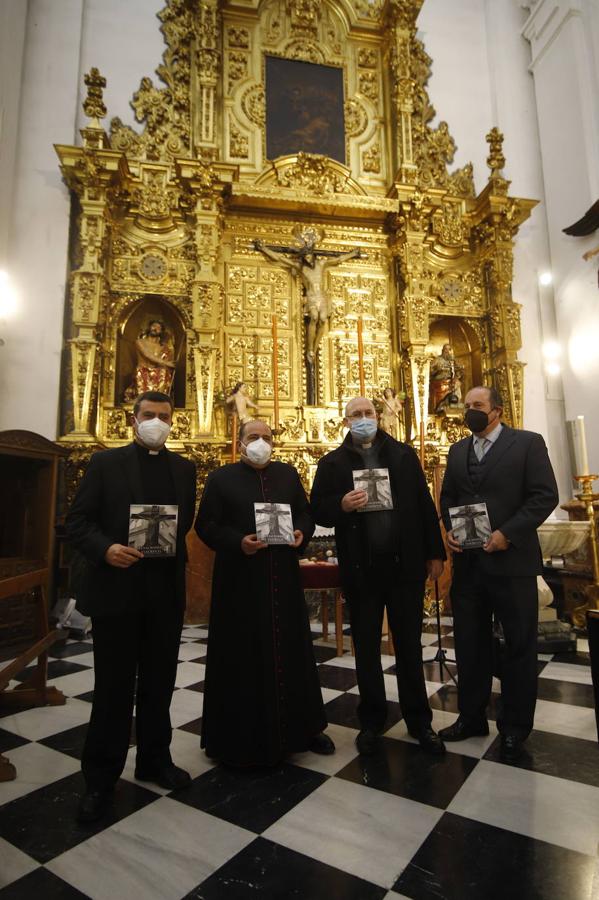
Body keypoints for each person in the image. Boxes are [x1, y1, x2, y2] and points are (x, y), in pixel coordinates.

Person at [66, 390, 196, 823]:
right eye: (148, 415)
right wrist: (106, 550)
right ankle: (100, 779)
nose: (156, 421)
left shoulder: (184, 469)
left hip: (164, 594)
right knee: (113, 690)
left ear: (172, 421)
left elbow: (184, 526)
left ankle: (155, 760)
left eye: (164, 416)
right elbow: (77, 523)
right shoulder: (105, 464)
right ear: (133, 420)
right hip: (117, 591)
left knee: (160, 684)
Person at [310, 397, 446, 756]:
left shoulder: (402, 455)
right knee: (366, 647)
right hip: (362, 569)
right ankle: (371, 721)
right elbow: (317, 507)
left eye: (369, 413)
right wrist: (340, 505)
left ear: (378, 416)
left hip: (405, 567)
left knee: (409, 646)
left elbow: (424, 505)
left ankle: (420, 721)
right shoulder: (333, 462)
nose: (364, 419)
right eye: (356, 414)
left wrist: (435, 552)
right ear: (346, 420)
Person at [194, 419, 334, 766]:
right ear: (240, 443)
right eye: (253, 437)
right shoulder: (221, 478)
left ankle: (304, 728)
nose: (261, 442)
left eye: (267, 437)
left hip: (283, 578)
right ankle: (237, 736)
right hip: (240, 580)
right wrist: (238, 542)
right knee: (242, 653)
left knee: (293, 648)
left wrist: (301, 532)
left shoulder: (287, 475)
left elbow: (304, 514)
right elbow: (206, 525)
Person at [439, 385, 558, 761]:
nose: (470, 411)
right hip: (470, 566)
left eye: (478, 406)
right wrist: (450, 532)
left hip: (512, 563)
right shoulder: (458, 450)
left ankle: (515, 727)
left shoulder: (527, 443)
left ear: (497, 411)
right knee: (470, 644)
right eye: (467, 406)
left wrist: (508, 533)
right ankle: (471, 717)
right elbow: (449, 499)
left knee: (519, 645)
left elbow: (544, 495)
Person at [254, 229, 361, 361]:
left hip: (321, 296)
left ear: (313, 255)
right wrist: (263, 248)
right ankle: (310, 348)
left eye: (309, 255)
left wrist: (353, 254)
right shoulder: (300, 267)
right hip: (311, 297)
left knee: (323, 320)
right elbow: (279, 258)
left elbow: (338, 259)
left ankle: (314, 349)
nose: (307, 258)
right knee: (314, 317)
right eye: (305, 256)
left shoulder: (321, 264)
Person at [124, 319, 175, 400]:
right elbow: (147, 355)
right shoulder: (140, 342)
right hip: (143, 371)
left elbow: (169, 359)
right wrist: (166, 363)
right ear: (149, 328)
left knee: (164, 371)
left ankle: (160, 399)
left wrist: (170, 360)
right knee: (141, 372)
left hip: (158, 374)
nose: (155, 328)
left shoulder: (163, 347)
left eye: (158, 328)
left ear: (161, 332)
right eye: (153, 326)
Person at [429, 343, 463, 413]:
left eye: (449, 349)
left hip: (451, 382)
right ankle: (440, 407)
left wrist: (456, 377)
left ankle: (454, 407)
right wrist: (437, 370)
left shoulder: (453, 360)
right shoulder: (437, 360)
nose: (447, 351)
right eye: (445, 349)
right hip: (440, 383)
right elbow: (429, 371)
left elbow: (459, 370)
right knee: (444, 396)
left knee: (457, 385)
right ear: (442, 350)